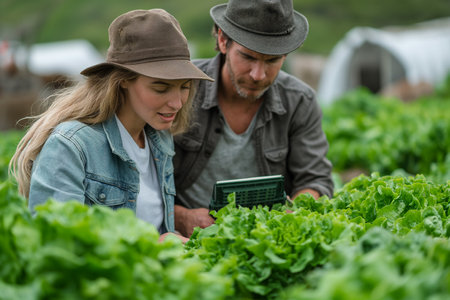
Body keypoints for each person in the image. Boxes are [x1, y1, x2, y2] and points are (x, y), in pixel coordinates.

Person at [9, 9, 213, 242]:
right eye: (161, 88)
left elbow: (155, 225)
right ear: (123, 80)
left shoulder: (158, 138)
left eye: (184, 87)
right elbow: (56, 242)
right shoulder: (70, 145)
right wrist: (155, 246)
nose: (177, 103)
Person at [173, 0, 334, 237]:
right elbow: (145, 177)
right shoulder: (182, 89)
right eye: (248, 57)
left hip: (266, 239)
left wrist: (295, 212)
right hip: (186, 238)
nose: (258, 75)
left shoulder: (300, 100)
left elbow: (316, 179)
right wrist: (181, 217)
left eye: (272, 61)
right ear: (222, 40)